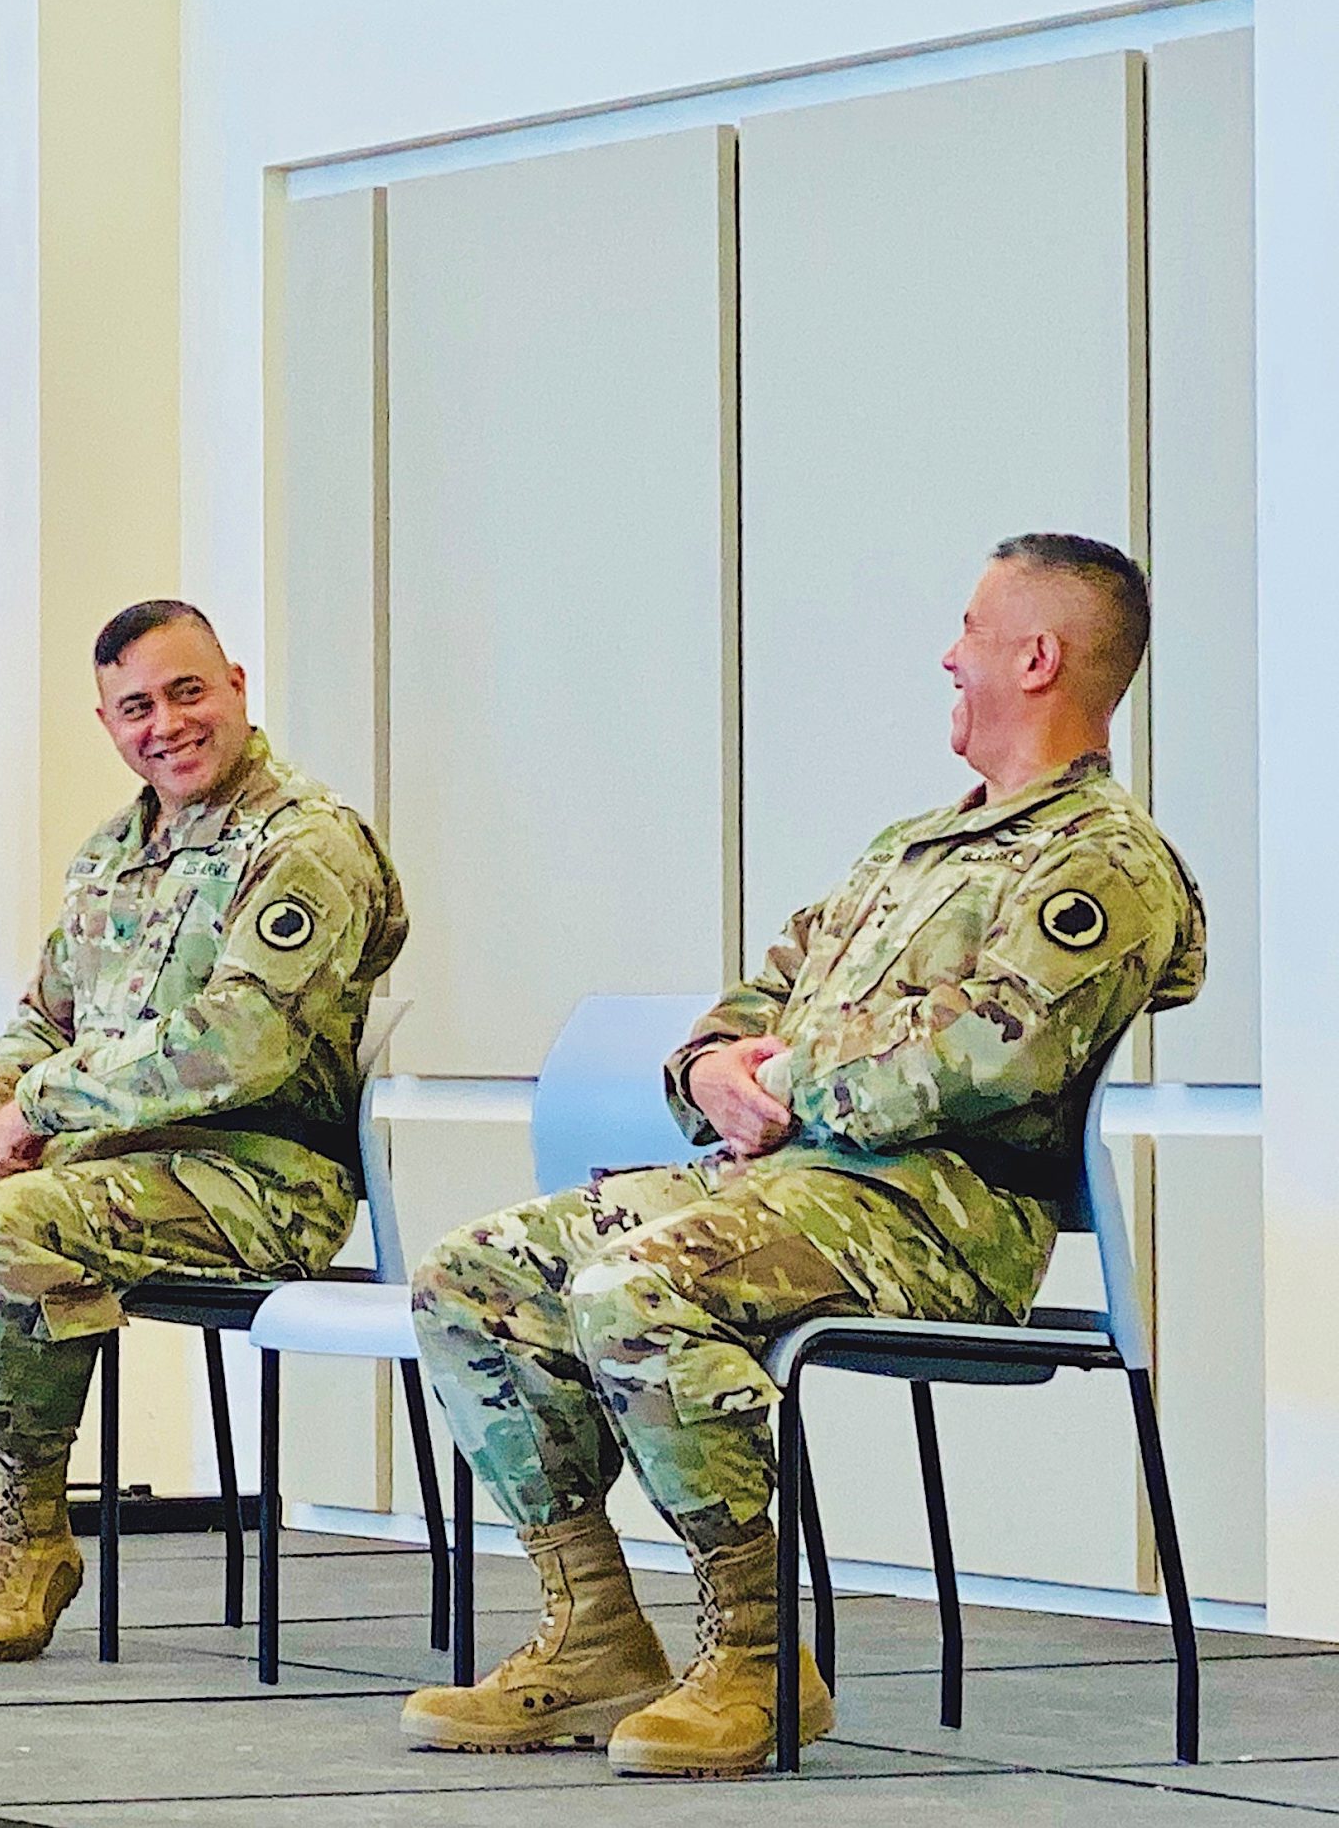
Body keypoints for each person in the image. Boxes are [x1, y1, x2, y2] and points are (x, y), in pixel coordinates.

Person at [401, 534, 1205, 1778]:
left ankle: (756, 1656)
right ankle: (594, 1627)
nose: (947, 653)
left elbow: (988, 1053)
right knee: (473, 1274)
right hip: (778, 1193)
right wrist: (707, 1071)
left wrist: (783, 1076)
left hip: (931, 1219)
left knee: (635, 1288)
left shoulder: (1099, 863)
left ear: (1037, 656)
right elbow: (755, 995)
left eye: (969, 627)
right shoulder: (907, 851)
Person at [0, 599, 408, 1662]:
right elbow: (44, 1014)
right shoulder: (113, 851)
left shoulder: (305, 843)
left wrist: (42, 1107)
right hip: (99, 1170)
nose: (168, 723)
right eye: (137, 707)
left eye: (188, 692)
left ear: (237, 686)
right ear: (108, 724)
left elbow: (239, 1040)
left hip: (257, 1178)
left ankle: (27, 1529)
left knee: (18, 1223)